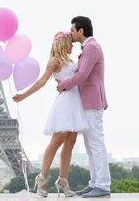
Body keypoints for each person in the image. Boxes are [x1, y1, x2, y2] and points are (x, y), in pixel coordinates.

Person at [13, 31, 89, 198]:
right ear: (63, 44)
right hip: (65, 103)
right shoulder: (54, 61)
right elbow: (42, 81)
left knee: (70, 141)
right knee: (57, 141)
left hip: (76, 103)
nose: (72, 46)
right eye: (70, 43)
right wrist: (23, 95)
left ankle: (63, 179)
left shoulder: (70, 60)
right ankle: (42, 178)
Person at [56, 16, 111, 198]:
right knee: (91, 145)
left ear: (81, 31)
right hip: (88, 101)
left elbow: (83, 74)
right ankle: (95, 182)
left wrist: (63, 85)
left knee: (96, 144)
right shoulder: (89, 47)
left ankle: (102, 185)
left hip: (92, 101)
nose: (70, 32)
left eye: (73, 29)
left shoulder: (92, 48)